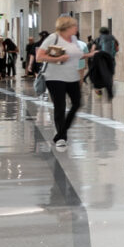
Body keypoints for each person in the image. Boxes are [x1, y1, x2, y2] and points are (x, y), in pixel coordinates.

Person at [36, 16, 88, 149]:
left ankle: (61, 131)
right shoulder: (53, 38)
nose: (76, 28)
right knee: (60, 106)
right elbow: (39, 57)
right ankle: (61, 137)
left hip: (72, 76)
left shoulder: (74, 39)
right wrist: (59, 58)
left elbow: (77, 55)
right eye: (74, 26)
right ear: (66, 27)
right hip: (54, 77)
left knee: (77, 103)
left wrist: (91, 54)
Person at [90, 24, 118, 101]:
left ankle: (98, 90)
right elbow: (117, 48)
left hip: (100, 60)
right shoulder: (113, 38)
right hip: (111, 59)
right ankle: (109, 88)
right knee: (110, 74)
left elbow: (93, 49)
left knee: (97, 74)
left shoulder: (98, 39)